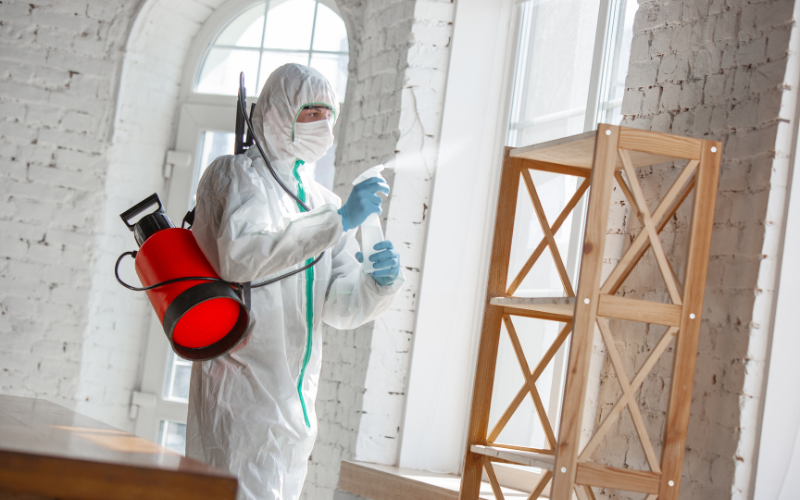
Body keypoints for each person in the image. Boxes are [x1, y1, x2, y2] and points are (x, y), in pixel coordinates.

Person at [186, 63, 404, 500]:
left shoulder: (321, 202)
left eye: (329, 113)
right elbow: (240, 258)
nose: (322, 123)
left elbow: (339, 308)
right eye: (310, 111)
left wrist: (376, 283)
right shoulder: (234, 176)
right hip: (241, 396)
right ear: (277, 112)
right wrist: (338, 223)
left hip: (296, 405)